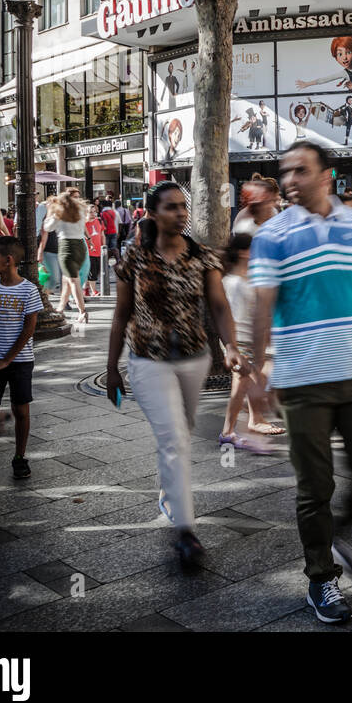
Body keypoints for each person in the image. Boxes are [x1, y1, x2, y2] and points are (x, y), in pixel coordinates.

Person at [248, 140, 352, 624]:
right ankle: (321, 578)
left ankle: (330, 534)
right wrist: (259, 371)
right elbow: (263, 306)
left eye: (301, 170)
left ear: (326, 177)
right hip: (303, 382)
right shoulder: (272, 234)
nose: (291, 180)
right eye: (286, 172)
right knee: (313, 488)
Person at [105, 182, 248, 571]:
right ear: (153, 213)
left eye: (183, 207)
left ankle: (170, 497)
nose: (181, 213)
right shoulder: (134, 258)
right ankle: (186, 531)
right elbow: (121, 315)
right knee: (174, 440)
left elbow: (219, 307)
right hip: (147, 361)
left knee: (179, 435)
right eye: (171, 207)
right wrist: (112, 368)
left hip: (194, 358)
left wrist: (232, 347)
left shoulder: (202, 257)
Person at [0, 236, 42, 482]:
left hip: (20, 362)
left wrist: (8, 359)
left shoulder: (29, 289)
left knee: (21, 410)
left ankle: (20, 457)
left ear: (8, 260)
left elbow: (29, 328)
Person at [219, 232, 284, 450]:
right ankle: (234, 432)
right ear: (242, 252)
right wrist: (235, 349)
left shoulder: (246, 278)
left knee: (247, 388)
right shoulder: (235, 283)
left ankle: (239, 429)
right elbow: (233, 319)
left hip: (249, 344)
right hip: (241, 345)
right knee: (245, 388)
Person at [41, 193, 89, 323]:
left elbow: (47, 227)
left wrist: (50, 212)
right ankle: (61, 307)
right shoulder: (80, 210)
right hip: (80, 246)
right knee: (66, 278)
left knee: (73, 279)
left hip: (66, 247)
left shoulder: (59, 213)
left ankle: (82, 311)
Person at [35, 196, 61, 295]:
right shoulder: (47, 219)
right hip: (48, 251)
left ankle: (45, 297)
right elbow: (43, 237)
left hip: (57, 251)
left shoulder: (58, 218)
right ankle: (43, 298)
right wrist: (40, 253)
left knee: (56, 279)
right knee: (53, 279)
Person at [84, 203, 104, 296]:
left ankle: (86, 289)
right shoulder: (84, 224)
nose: (93, 214)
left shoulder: (99, 221)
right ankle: (94, 291)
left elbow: (102, 234)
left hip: (99, 250)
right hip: (88, 251)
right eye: (90, 212)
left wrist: (104, 246)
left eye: (94, 212)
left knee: (95, 271)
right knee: (92, 271)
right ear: (86, 213)